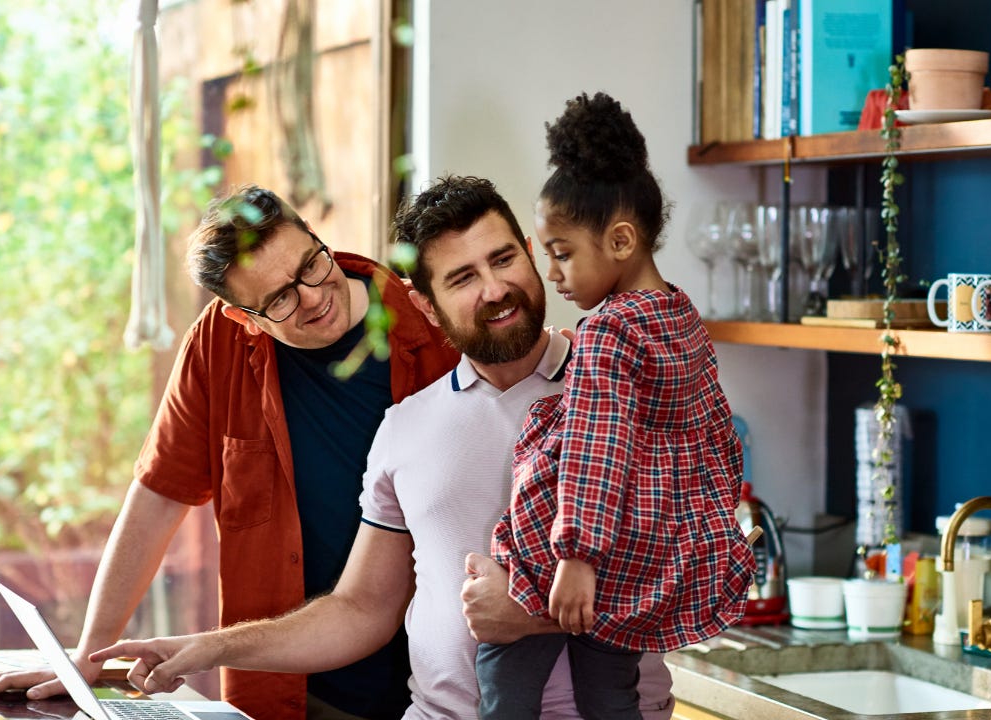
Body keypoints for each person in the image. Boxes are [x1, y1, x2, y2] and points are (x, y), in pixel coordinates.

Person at [86, 175, 676, 720]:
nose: (495, 289)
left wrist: (533, 614)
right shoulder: (406, 425)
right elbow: (362, 606)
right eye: (462, 278)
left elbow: (698, 564)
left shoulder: (628, 384)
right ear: (429, 301)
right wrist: (197, 649)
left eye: (502, 259)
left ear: (531, 251)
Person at [0, 185, 461, 720]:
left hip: (431, 681)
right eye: (279, 300)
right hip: (283, 686)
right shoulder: (217, 348)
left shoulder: (432, 324)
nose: (314, 297)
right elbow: (158, 497)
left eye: (311, 265)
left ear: (318, 240)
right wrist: (87, 656)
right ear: (243, 315)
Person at [475, 93, 756, 720]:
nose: (551, 272)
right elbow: (714, 430)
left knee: (502, 673)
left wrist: (577, 555)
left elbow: (597, 448)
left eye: (563, 251)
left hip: (584, 547)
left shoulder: (610, 330)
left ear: (621, 240)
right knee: (611, 689)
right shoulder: (681, 315)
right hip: (647, 548)